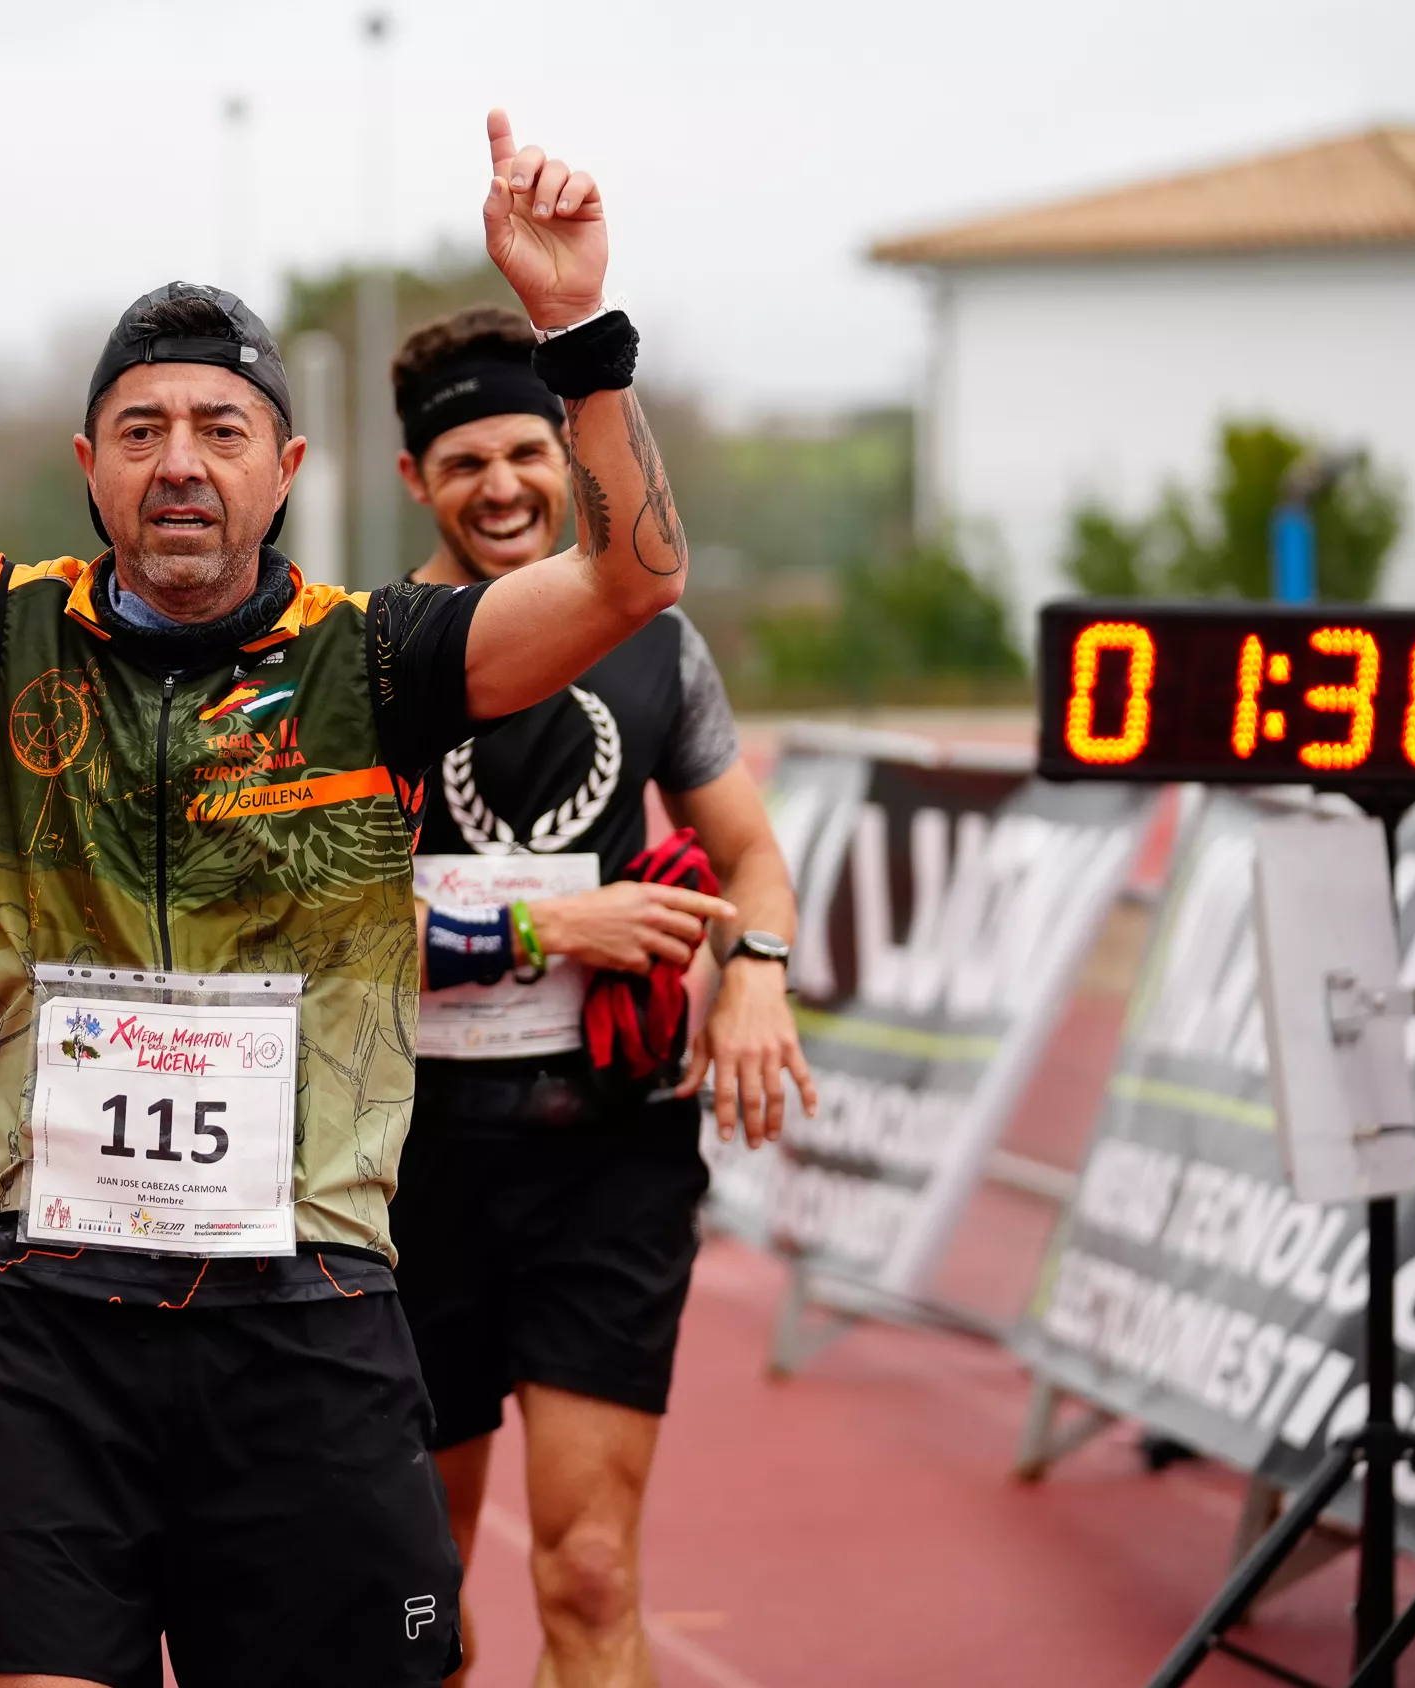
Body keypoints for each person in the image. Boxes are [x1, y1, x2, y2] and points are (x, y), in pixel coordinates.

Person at [0, 63, 691, 1688]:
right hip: (50, 1312)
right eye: (143, 427)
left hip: (311, 1311)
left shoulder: (382, 657)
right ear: (91, 461)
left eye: (220, 428)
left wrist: (579, 329)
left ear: (285, 464)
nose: (180, 460)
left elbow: (635, 573)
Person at [387, 306, 818, 1688]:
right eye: (464, 462)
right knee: (411, 1597)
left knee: (589, 1568)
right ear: (415, 480)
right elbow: (319, 929)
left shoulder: (654, 647)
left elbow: (751, 856)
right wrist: (548, 924)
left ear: (571, 459)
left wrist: (754, 976)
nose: (501, 485)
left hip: (607, 1158)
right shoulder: (370, 658)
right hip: (403, 1164)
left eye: (528, 450)